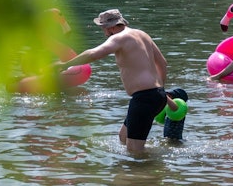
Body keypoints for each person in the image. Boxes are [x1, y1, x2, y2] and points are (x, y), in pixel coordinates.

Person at [56, 9, 169, 154]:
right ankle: (140, 172)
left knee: (135, 151)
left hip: (144, 98)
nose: (104, 33)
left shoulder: (119, 38)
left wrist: (65, 65)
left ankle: (149, 170)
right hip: (156, 95)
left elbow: (93, 54)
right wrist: (160, 91)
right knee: (123, 137)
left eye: (103, 28)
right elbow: (163, 63)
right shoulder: (142, 34)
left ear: (110, 27)